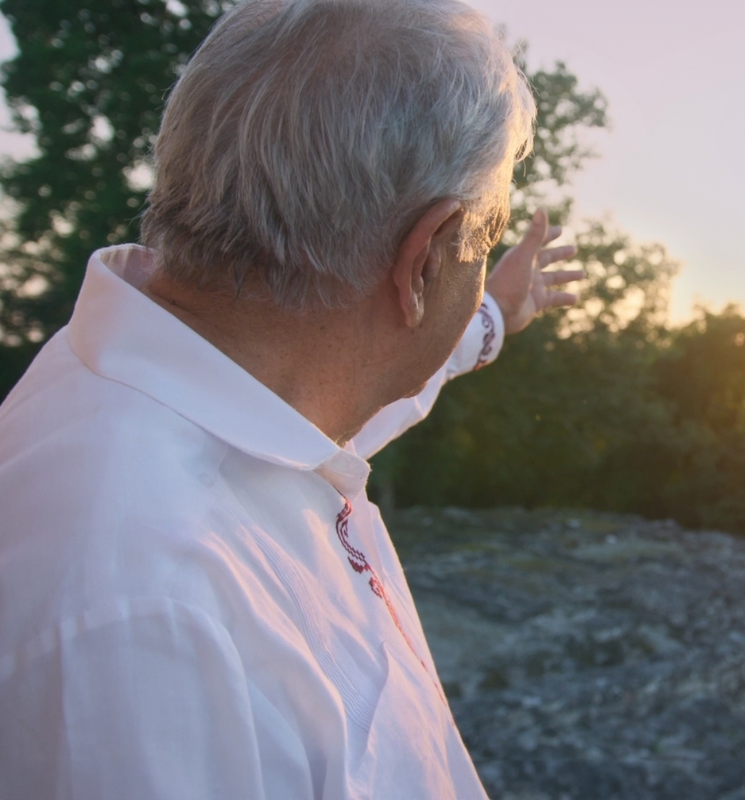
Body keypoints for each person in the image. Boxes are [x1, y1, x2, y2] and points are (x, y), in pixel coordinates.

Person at [0, 0, 583, 796]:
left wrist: (491, 315)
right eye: (481, 244)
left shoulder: (188, 391)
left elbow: (352, 375)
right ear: (421, 265)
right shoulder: (146, 612)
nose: (483, 266)